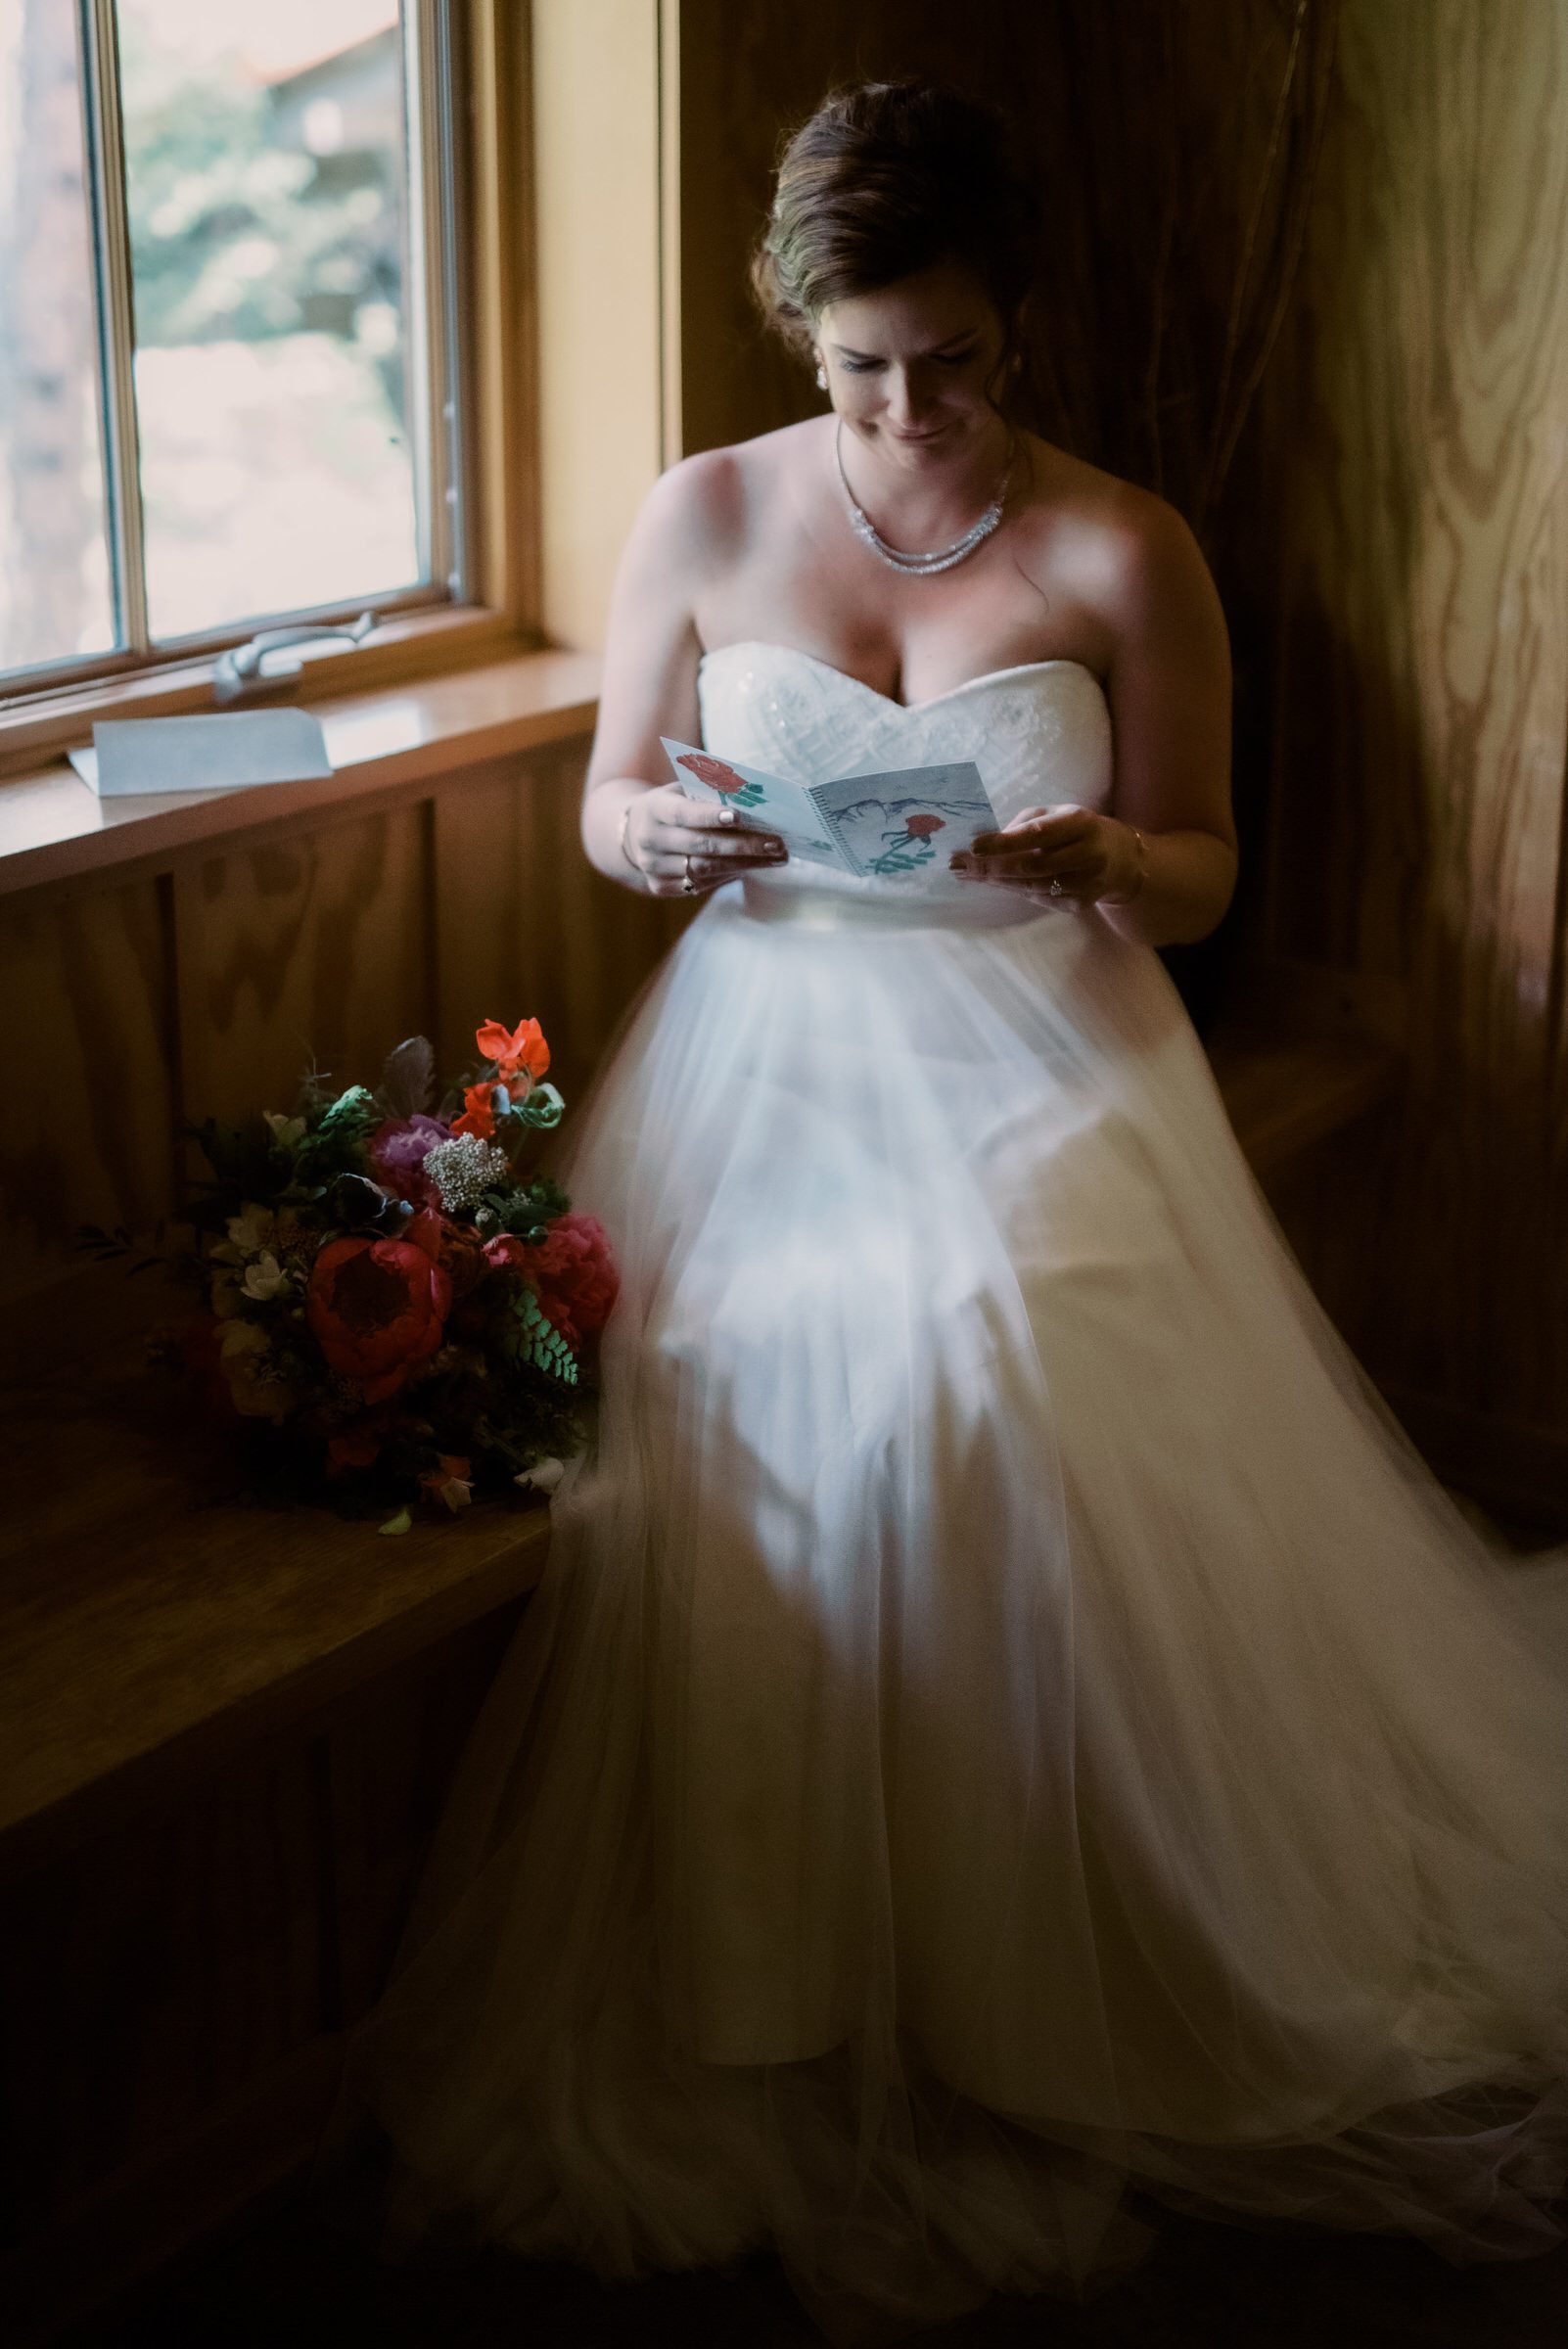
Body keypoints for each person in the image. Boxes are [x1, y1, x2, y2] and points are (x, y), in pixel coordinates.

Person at [338, 79, 1568, 2343]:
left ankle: (1041, 1968)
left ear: (1021, 323)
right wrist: (661, 846)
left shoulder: (1124, 548)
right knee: (739, 1377)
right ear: (796, 330)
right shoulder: (703, 514)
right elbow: (619, 790)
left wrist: (1111, 861)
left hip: (1047, 1032)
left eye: (957, 358)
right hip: (771, 1036)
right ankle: (779, 1961)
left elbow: (1203, 872)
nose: (910, 406)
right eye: (862, 363)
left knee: (983, 1342)